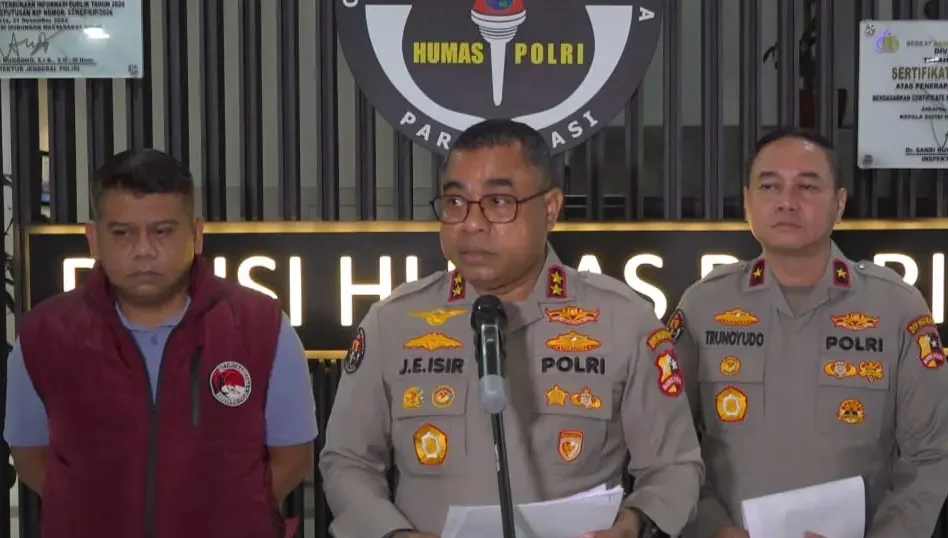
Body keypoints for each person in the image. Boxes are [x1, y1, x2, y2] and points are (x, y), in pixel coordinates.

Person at [319, 119, 703, 538]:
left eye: (498, 202)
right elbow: (347, 462)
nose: (471, 223)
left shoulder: (624, 322)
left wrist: (633, 525)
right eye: (455, 202)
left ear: (550, 208)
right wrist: (394, 535)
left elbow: (674, 467)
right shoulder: (393, 323)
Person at [3, 148, 318, 538]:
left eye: (162, 231)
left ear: (196, 234)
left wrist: (232, 515)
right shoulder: (44, 335)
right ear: (93, 238)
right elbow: (30, 456)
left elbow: (293, 455)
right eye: (122, 233)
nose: (144, 250)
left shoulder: (263, 326)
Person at [673, 128, 948, 538]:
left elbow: (931, 457)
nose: (787, 201)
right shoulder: (703, 305)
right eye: (770, 186)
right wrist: (713, 527)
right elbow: (668, 449)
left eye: (807, 186)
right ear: (747, 202)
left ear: (839, 204)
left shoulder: (897, 308)